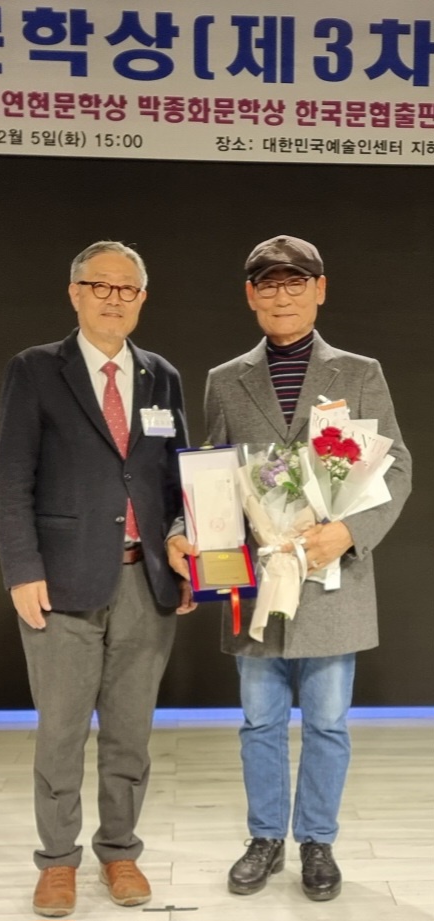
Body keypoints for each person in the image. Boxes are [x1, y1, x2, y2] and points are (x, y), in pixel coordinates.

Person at [167, 235, 411, 902]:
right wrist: (185, 532)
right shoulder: (225, 378)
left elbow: (397, 467)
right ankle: (265, 837)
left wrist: (349, 533)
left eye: (295, 282)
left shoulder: (360, 372)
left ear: (320, 289)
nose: (282, 295)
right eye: (268, 283)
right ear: (250, 295)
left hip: (333, 576)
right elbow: (212, 475)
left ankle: (318, 842)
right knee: (259, 721)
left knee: (328, 723)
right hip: (258, 579)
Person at [0, 240, 194, 917]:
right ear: (74, 292)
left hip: (147, 583)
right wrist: (22, 569)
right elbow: (11, 479)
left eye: (126, 288)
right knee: (61, 732)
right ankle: (57, 861)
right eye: (99, 285)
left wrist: (182, 547)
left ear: (142, 298)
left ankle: (120, 850)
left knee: (130, 732)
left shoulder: (162, 375)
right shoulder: (35, 370)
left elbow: (178, 478)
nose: (114, 297)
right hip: (59, 583)